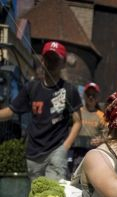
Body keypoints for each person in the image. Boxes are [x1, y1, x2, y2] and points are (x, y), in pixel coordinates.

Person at [0, 41, 82, 181]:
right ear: (43, 61)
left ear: (63, 64)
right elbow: (11, 111)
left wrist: (64, 148)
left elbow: (78, 122)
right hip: (33, 154)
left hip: (56, 152)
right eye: (48, 58)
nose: (51, 62)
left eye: (56, 59)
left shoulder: (69, 90)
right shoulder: (31, 88)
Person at [70, 82, 107, 173]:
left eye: (93, 95)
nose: (91, 97)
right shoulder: (78, 112)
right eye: (88, 94)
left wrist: (101, 139)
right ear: (84, 96)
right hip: (77, 152)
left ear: (97, 97)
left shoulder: (102, 116)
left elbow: (108, 135)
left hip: (94, 153)